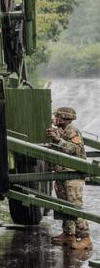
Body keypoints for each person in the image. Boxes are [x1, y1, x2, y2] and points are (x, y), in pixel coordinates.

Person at [46, 106, 92, 250]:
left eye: (57, 116)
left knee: (75, 207)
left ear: (65, 118)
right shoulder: (59, 130)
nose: (55, 119)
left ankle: (85, 238)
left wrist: (58, 140)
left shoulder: (73, 131)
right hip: (62, 174)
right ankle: (68, 234)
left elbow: (75, 150)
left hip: (73, 175)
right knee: (64, 207)